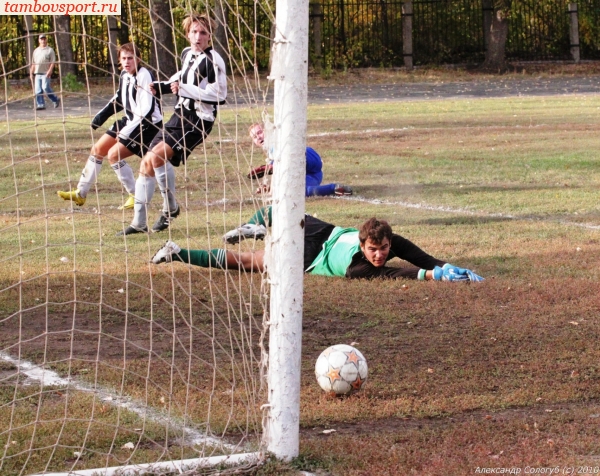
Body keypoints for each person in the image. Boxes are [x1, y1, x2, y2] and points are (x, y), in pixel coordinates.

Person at [150, 206, 484, 282]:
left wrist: (449, 268)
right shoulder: (358, 267)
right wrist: (431, 276)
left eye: (383, 249)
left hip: (321, 229)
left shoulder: (389, 241)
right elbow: (395, 274)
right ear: (362, 243)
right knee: (249, 261)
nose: (380, 255)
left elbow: (420, 257)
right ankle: (259, 225)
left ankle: (178, 251)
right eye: (374, 250)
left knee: (287, 210)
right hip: (309, 252)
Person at [118, 13, 227, 236]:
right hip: (179, 115)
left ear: (210, 36)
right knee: (147, 162)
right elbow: (182, 76)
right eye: (194, 32)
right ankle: (143, 221)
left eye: (203, 33)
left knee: (156, 157)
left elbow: (219, 94)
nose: (198, 36)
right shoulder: (187, 53)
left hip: (197, 120)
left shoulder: (213, 60)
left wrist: (183, 90)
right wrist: (164, 85)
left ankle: (169, 209)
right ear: (187, 34)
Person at [57, 43, 163, 210]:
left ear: (138, 59)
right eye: (124, 58)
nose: (127, 62)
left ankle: (135, 195)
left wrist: (125, 133)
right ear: (119, 60)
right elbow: (119, 99)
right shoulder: (124, 75)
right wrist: (102, 116)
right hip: (130, 121)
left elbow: (147, 111)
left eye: (131, 58)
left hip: (148, 125)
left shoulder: (144, 76)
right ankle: (80, 193)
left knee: (114, 155)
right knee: (97, 150)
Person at [247, 123, 353, 197]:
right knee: (298, 193)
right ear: (254, 143)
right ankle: (335, 188)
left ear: (267, 130)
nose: (259, 137)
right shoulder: (270, 156)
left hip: (309, 158)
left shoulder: (277, 137)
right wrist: (270, 189)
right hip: (312, 175)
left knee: (288, 158)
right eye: (255, 137)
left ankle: (282, 164)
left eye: (260, 132)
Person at [30, 33, 60, 110]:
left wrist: (50, 70)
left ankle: (55, 99)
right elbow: (33, 63)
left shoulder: (50, 50)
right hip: (37, 73)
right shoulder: (36, 51)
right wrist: (31, 72)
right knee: (38, 90)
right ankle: (40, 104)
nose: (43, 40)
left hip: (45, 73)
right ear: (39, 40)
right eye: (41, 39)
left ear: (46, 40)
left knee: (45, 87)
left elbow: (53, 62)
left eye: (44, 39)